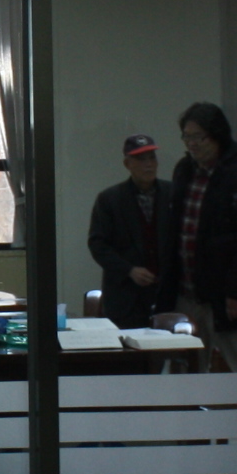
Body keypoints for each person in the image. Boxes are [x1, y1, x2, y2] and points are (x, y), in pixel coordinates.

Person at [164, 101, 237, 369]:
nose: (192, 144)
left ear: (217, 136)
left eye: (198, 137)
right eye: (187, 137)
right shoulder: (184, 170)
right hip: (186, 290)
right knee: (184, 367)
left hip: (224, 294)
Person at [86, 134, 175, 329]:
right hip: (125, 298)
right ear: (127, 164)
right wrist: (129, 270)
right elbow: (98, 245)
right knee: (127, 345)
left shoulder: (172, 194)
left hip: (167, 295)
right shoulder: (110, 199)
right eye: (141, 159)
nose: (148, 165)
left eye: (152, 158)